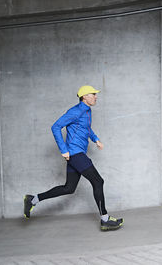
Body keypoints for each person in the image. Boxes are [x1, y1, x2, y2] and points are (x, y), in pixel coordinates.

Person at [23, 85, 123, 231]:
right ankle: (105, 219)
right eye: (93, 94)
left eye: (95, 94)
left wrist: (96, 139)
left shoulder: (87, 110)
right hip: (75, 153)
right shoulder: (75, 111)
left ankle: (33, 199)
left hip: (77, 153)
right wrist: (63, 150)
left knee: (69, 188)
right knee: (98, 181)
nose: (96, 96)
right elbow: (55, 127)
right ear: (84, 97)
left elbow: (86, 128)